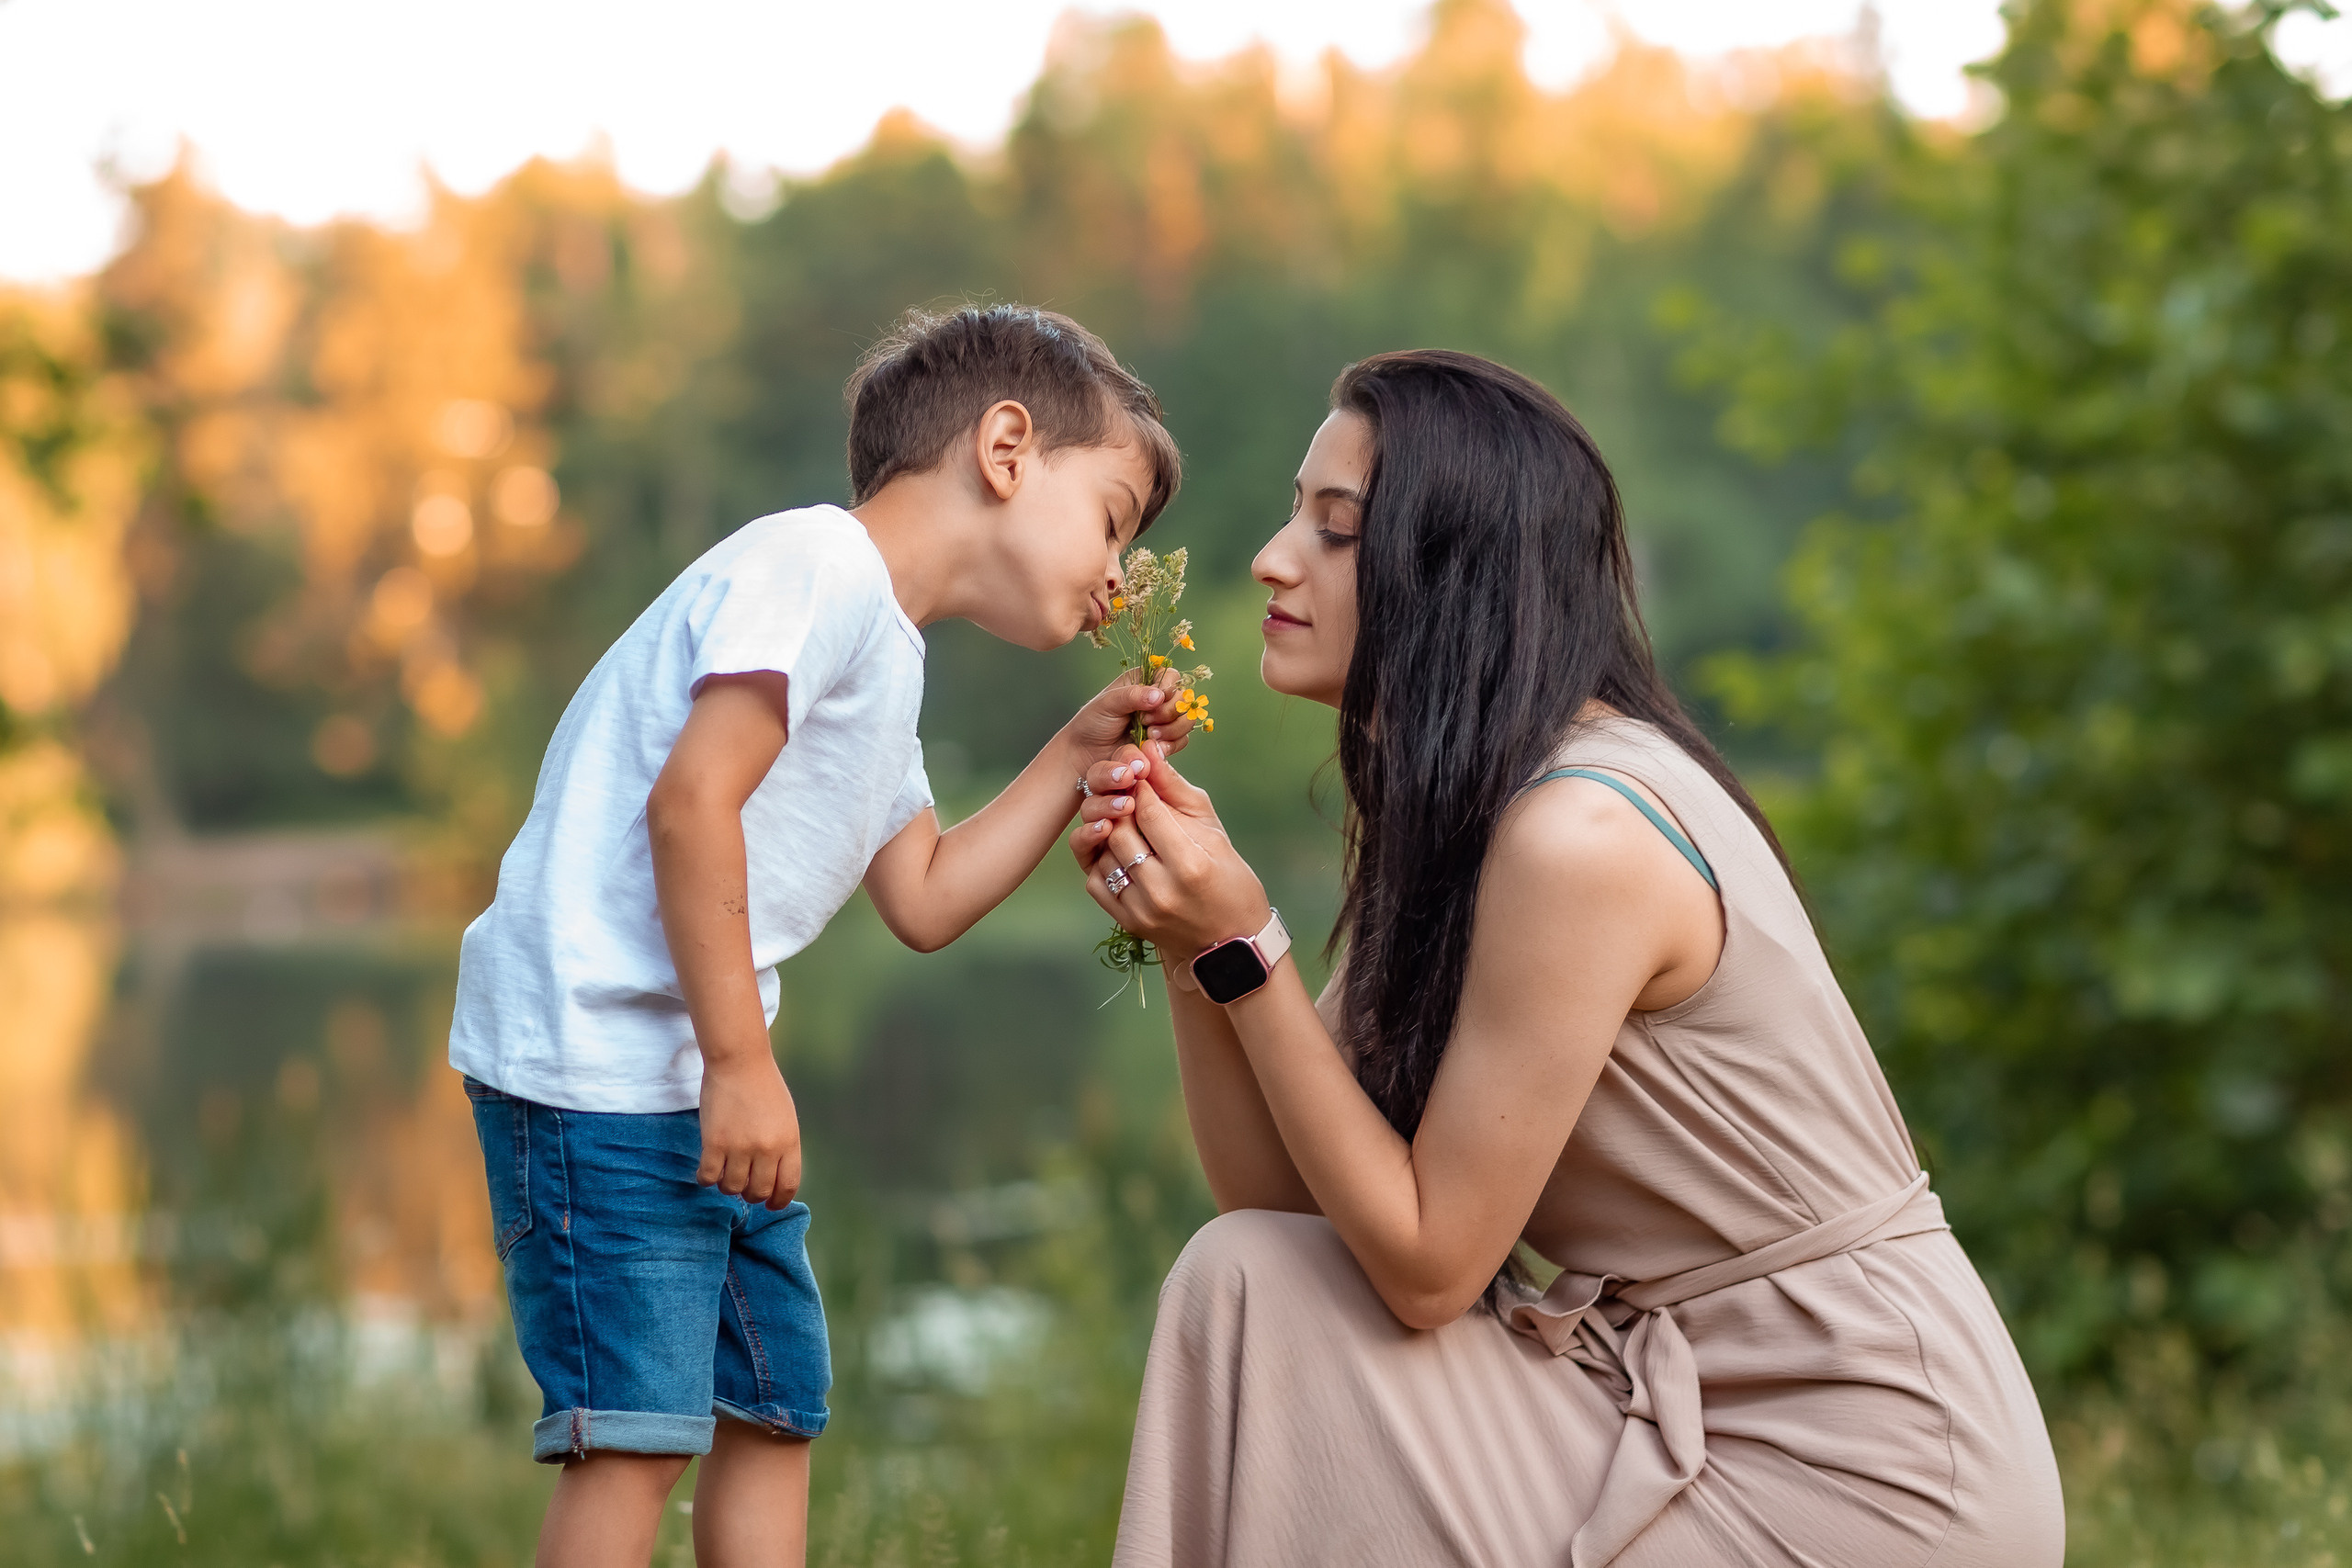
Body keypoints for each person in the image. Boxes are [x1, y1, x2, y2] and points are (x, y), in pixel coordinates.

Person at [1069, 350, 2064, 1567]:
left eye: (1337, 530)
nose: (1274, 560)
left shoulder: (1579, 835)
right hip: (1683, 1405)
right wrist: (1193, 949)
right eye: (1296, 517)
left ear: (1454, 572)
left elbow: (1430, 1269)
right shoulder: (1465, 818)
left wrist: (1246, 945)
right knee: (1249, 1279)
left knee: (1260, 1284)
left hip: (1870, 1461)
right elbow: (1283, 1206)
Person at [447, 304, 1193, 1568]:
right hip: (601, 1065)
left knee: (773, 1408)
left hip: (696, 1079)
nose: (1119, 574)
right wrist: (741, 1064)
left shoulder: (883, 653)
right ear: (1006, 450)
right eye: (1113, 519)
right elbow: (692, 804)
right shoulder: (815, 567)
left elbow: (927, 897)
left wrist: (1076, 758)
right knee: (634, 1436)